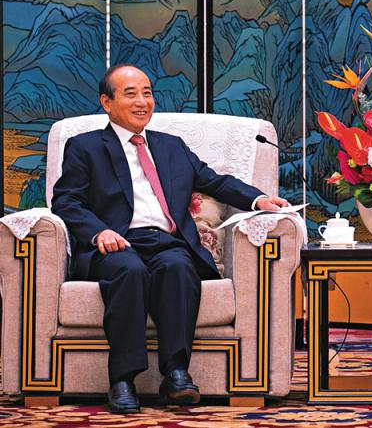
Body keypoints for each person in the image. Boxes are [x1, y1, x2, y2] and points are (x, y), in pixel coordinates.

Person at [51, 64, 289, 414]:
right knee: (129, 271)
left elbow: (214, 181)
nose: (142, 101)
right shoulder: (86, 147)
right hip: (117, 243)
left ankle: (176, 374)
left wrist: (259, 200)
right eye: (131, 94)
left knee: (178, 267)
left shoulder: (171, 146)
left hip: (166, 242)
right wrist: (99, 231)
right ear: (107, 102)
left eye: (147, 93)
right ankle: (122, 380)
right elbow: (66, 201)